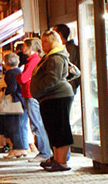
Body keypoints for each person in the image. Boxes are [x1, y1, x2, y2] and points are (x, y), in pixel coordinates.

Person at [31, 30, 79, 172]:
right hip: (50, 97)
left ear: (53, 41)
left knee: (60, 129)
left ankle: (62, 162)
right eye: (42, 41)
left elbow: (53, 78)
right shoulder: (51, 56)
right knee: (53, 129)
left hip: (57, 96)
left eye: (45, 41)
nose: (43, 44)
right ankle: (57, 159)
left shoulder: (55, 57)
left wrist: (39, 89)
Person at [19, 37, 53, 163]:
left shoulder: (33, 61)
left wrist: (18, 76)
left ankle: (44, 152)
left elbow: (23, 78)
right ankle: (44, 151)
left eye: (24, 46)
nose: (23, 48)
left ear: (30, 47)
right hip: (30, 93)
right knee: (36, 123)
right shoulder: (34, 60)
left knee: (36, 124)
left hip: (31, 94)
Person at [0, 52, 28, 159]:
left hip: (14, 101)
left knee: (14, 126)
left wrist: (3, 90)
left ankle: (17, 149)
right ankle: (23, 148)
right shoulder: (19, 71)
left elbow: (12, 88)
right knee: (22, 126)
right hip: (22, 100)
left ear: (6, 62)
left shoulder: (10, 73)